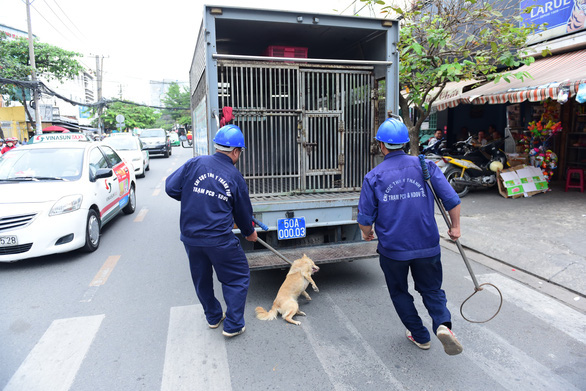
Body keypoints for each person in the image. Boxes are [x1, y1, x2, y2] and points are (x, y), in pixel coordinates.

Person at [357, 117, 464, 356]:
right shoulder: (425, 166)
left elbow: (365, 218)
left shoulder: (373, 176)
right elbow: (452, 199)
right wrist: (455, 227)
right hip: (427, 245)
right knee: (432, 290)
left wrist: (367, 233)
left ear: (381, 145)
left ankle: (420, 334)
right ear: (405, 143)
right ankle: (443, 325)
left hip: (393, 250)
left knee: (399, 292)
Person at [165, 124, 257, 338]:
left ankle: (214, 317)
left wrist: (193, 196)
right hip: (219, 240)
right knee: (237, 277)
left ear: (217, 147)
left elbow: (171, 187)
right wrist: (249, 232)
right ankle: (233, 325)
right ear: (235, 151)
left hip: (191, 239)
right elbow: (244, 213)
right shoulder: (234, 177)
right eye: (240, 152)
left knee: (201, 279)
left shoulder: (195, 163)